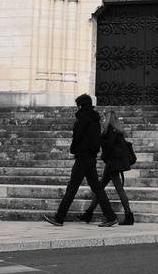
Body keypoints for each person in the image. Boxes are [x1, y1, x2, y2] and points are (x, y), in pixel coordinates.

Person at [43, 94, 117, 227]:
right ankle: (111, 216)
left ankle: (59, 218)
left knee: (72, 188)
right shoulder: (95, 120)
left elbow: (76, 138)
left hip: (82, 158)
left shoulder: (82, 119)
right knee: (98, 189)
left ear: (81, 105)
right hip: (91, 158)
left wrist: (73, 149)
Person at [78, 110, 135, 226]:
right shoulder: (116, 131)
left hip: (112, 164)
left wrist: (100, 139)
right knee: (100, 189)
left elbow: (108, 147)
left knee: (115, 189)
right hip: (113, 163)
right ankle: (89, 213)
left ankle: (128, 215)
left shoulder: (110, 132)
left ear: (108, 119)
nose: (103, 120)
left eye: (104, 118)